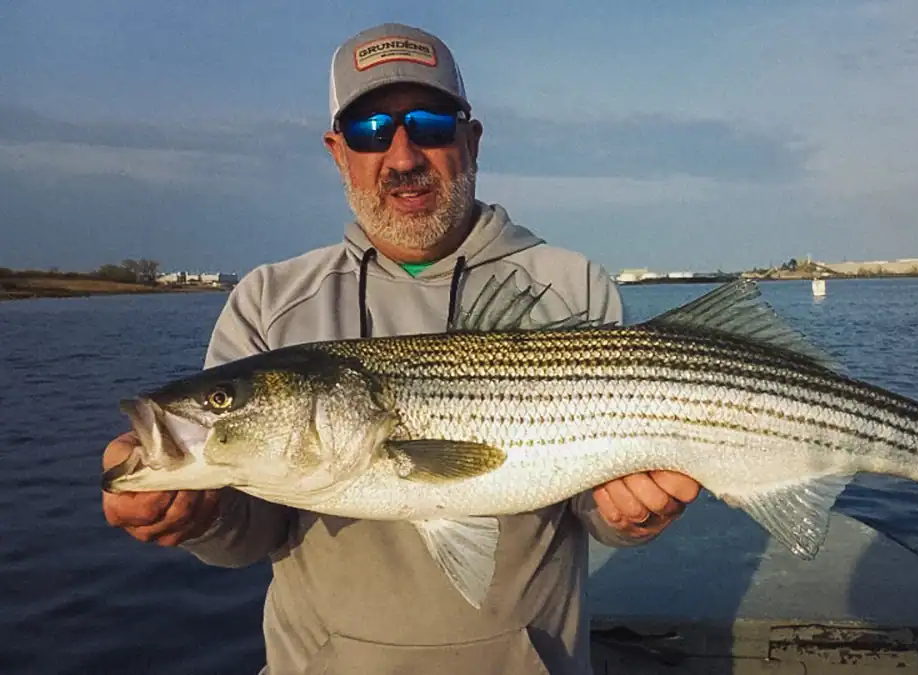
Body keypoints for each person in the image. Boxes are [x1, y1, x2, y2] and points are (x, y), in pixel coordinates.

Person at [100, 22, 701, 675]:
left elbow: (593, 501)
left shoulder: (568, 282)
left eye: (430, 123)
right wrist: (198, 516)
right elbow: (256, 530)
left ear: (470, 140)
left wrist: (633, 517)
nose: (403, 154)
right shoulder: (269, 299)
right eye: (369, 131)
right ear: (338, 152)